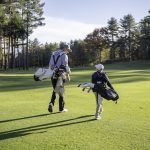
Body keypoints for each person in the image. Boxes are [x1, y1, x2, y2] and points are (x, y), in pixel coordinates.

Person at [48, 43, 71, 113]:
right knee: (61, 91)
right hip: (60, 75)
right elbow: (65, 66)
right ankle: (61, 108)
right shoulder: (64, 55)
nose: (68, 51)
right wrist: (68, 74)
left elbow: (50, 66)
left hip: (53, 74)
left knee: (56, 89)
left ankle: (51, 103)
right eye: (68, 50)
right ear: (65, 49)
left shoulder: (53, 54)